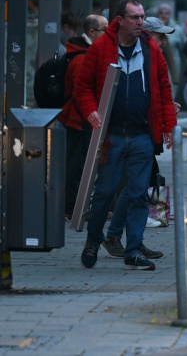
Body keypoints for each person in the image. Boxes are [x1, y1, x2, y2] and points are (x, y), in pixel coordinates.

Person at [74, 0, 176, 271]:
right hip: (111, 135)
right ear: (120, 20)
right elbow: (82, 87)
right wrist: (91, 111)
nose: (141, 22)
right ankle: (93, 241)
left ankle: (133, 250)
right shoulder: (101, 48)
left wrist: (168, 126)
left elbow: (164, 88)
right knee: (105, 192)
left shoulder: (150, 48)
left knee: (138, 193)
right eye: (135, 17)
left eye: (142, 17)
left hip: (142, 134)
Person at [101, 16, 182, 260]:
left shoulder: (152, 56)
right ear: (146, 35)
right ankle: (119, 237)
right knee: (136, 185)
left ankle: (127, 239)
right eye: (160, 36)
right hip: (135, 134)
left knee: (139, 185)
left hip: (146, 132)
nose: (164, 41)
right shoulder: (137, 56)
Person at [58, 13, 108, 220]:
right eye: (105, 30)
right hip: (79, 121)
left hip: (81, 119)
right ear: (92, 32)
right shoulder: (81, 58)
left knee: (79, 164)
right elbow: (81, 92)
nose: (108, 34)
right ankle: (71, 208)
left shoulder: (84, 53)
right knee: (76, 165)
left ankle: (76, 206)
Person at [154, 4, 186, 98]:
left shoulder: (177, 30)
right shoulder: (153, 28)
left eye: (166, 13)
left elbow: (182, 48)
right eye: (161, 13)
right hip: (156, 65)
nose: (164, 16)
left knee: (170, 93)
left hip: (171, 67)